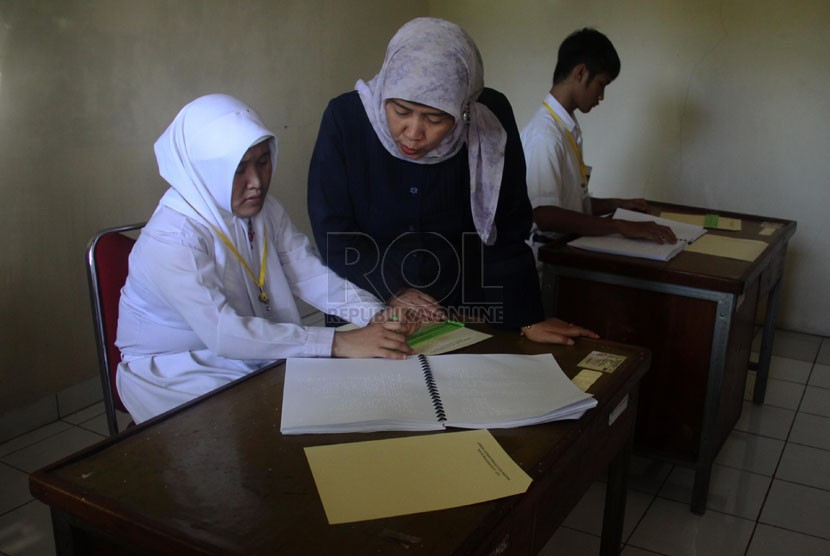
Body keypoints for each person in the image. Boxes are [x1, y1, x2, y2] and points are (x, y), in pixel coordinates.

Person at [116, 94, 417, 424]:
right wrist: (338, 342)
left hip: (247, 346)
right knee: (266, 427)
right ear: (204, 169)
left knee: (327, 404)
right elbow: (222, 333)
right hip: (177, 367)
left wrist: (374, 315)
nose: (256, 183)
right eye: (239, 168)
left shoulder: (264, 211)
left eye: (263, 161)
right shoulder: (173, 239)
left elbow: (308, 273)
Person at [308, 17, 598, 345]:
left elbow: (506, 230)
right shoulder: (346, 120)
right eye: (400, 111)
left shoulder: (488, 121)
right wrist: (394, 289)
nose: (414, 133)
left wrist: (526, 318)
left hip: (461, 311)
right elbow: (334, 231)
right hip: (366, 304)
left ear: (464, 109)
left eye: (436, 118)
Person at [521, 28, 676, 267]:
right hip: (543, 264)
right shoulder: (545, 135)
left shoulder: (565, 127)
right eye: (601, 84)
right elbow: (545, 214)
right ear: (581, 73)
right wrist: (619, 226)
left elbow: (569, 205)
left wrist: (616, 204)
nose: (601, 96)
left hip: (562, 255)